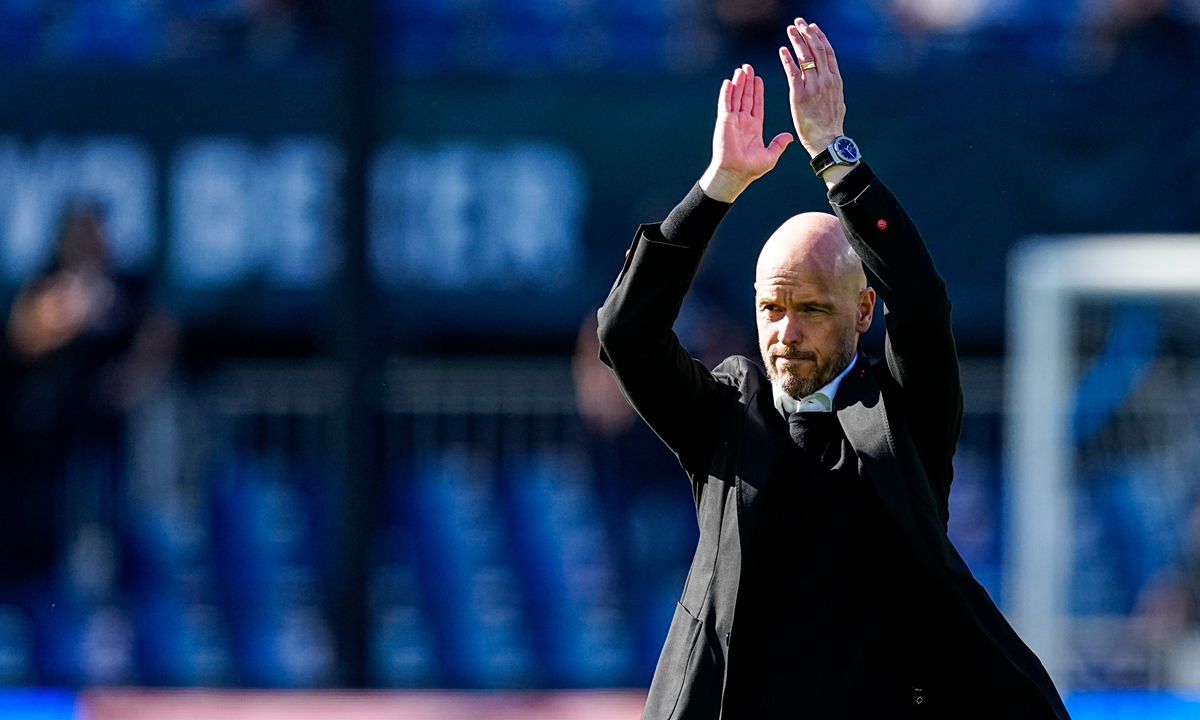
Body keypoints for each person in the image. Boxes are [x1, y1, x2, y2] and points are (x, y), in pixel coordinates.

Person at [597, 18, 1070, 719]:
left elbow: (922, 305)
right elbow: (626, 332)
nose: (785, 333)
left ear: (863, 311)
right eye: (772, 309)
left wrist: (833, 156)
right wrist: (719, 185)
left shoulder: (905, 417)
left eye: (812, 309)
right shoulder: (725, 417)